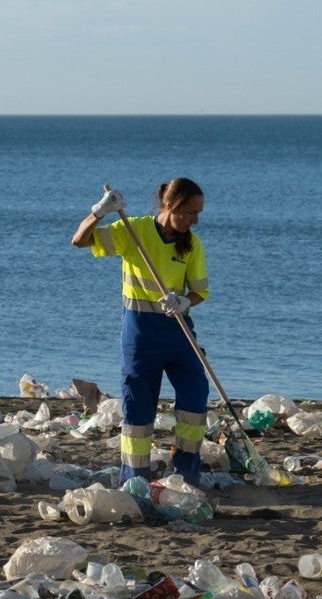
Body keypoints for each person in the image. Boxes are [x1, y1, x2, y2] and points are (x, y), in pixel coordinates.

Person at [72, 178, 210, 484]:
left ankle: (186, 475)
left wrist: (184, 300)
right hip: (140, 335)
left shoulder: (192, 244)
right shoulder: (132, 231)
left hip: (178, 333)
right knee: (138, 411)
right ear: (171, 206)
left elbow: (201, 291)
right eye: (189, 213)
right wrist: (100, 212)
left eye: (198, 213)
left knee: (196, 398)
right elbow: (79, 240)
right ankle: (135, 479)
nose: (195, 220)